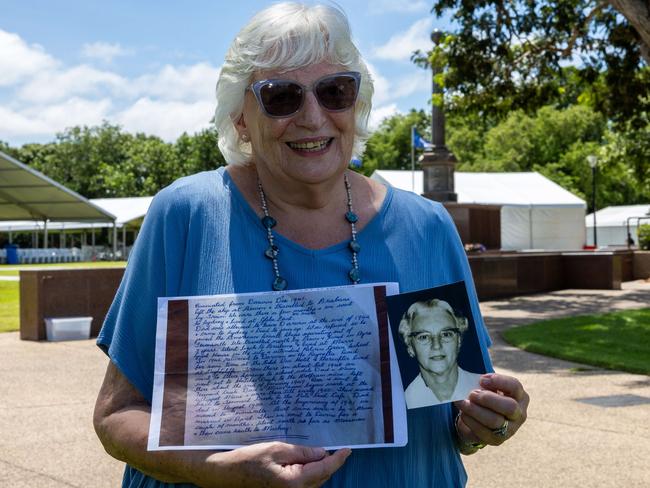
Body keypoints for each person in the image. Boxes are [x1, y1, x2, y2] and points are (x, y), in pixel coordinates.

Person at [93, 3, 530, 487]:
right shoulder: (185, 215)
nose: (313, 116)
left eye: (334, 91)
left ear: (355, 101)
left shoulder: (427, 227)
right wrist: (215, 470)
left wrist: (485, 420)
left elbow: (453, 415)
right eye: (281, 96)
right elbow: (117, 415)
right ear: (240, 118)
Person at [398, 299, 483, 408]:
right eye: (423, 337)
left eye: (446, 334)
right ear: (410, 347)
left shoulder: (482, 385)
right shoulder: (404, 400)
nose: (436, 345)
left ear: (459, 341)